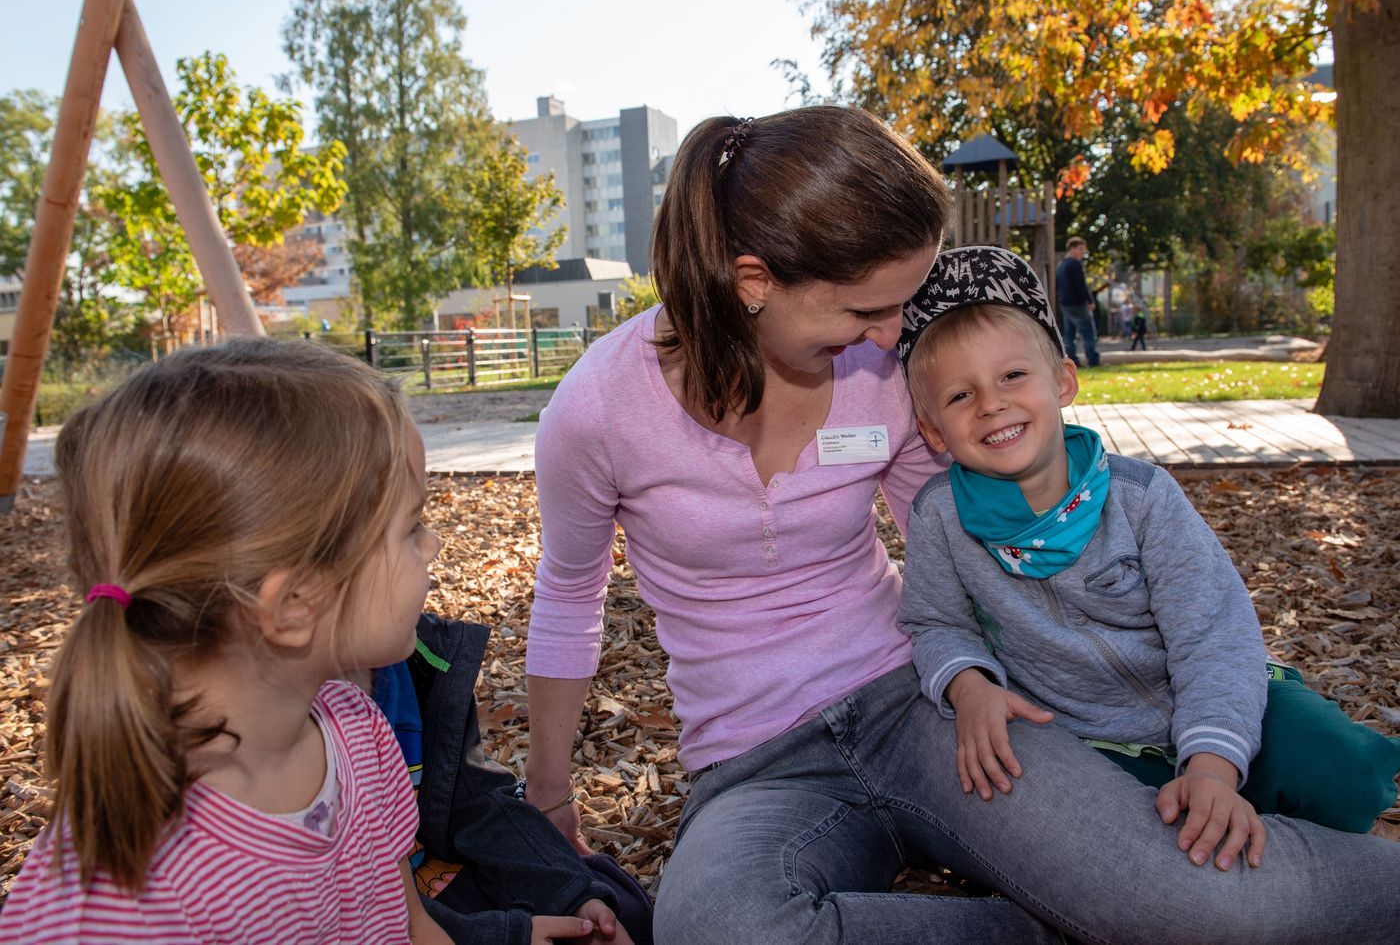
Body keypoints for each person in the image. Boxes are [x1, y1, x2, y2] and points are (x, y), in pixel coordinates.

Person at [525, 106, 1400, 945]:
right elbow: (569, 593)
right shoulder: (599, 411)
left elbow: (955, 534)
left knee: (1180, 890)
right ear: (755, 283)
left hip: (931, 705)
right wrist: (550, 789)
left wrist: (1067, 650)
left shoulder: (877, 372)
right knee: (713, 929)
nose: (893, 332)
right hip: (755, 764)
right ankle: (1066, 927)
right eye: (867, 310)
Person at [0, 340, 596, 945]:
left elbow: (407, 927)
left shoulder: (356, 734)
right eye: (412, 526)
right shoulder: (122, 902)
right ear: (293, 606)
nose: (434, 544)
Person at [896, 247, 1400, 870]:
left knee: (1344, 779)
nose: (991, 405)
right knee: (1091, 843)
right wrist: (969, 686)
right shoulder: (940, 516)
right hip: (1086, 735)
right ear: (934, 432)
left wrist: (1214, 766)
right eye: (960, 394)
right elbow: (935, 622)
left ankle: (1296, 840)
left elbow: (1212, 633)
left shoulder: (1141, 498)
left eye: (1012, 377)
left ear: (1063, 381)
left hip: (1218, 698)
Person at [361, 612, 651, 945]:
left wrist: (571, 894)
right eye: (406, 559)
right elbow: (365, 908)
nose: (427, 577)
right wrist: (507, 934)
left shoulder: (414, 660)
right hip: (391, 914)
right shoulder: (316, 734)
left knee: (619, 911)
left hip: (435, 869)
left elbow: (472, 800)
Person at [1054, 236, 1101, 367]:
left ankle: (1073, 361)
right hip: (1078, 304)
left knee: (1069, 334)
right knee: (1089, 333)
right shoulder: (1075, 264)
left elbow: (1057, 285)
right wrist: (1090, 300)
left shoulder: (1061, 265)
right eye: (1081, 249)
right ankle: (1093, 360)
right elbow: (1081, 285)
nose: (1083, 252)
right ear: (1072, 248)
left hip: (1065, 304)